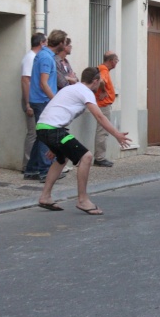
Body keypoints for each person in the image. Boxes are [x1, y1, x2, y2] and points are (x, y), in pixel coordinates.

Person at [35, 66, 131, 215]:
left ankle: (45, 196)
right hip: (52, 129)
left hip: (43, 128)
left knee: (62, 158)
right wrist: (117, 134)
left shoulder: (73, 88)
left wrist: (54, 145)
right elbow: (100, 117)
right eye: (100, 81)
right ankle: (82, 200)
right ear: (96, 80)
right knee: (86, 157)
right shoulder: (86, 92)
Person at [25, 29, 67, 182]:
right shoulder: (46, 58)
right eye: (65, 41)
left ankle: (32, 169)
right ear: (61, 43)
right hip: (42, 101)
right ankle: (44, 171)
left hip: (41, 100)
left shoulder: (44, 55)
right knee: (47, 136)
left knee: (41, 136)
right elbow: (44, 83)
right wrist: (55, 100)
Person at [21, 32, 47, 172]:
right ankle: (27, 164)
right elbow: (25, 80)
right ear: (41, 43)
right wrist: (27, 103)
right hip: (32, 100)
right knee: (32, 133)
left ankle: (34, 163)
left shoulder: (36, 57)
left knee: (37, 133)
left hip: (34, 99)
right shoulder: (30, 57)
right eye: (45, 42)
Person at [93, 51, 119, 167]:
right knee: (102, 131)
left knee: (102, 131)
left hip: (102, 105)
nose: (116, 63)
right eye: (116, 61)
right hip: (103, 105)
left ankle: (99, 157)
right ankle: (99, 157)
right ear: (111, 61)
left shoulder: (101, 69)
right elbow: (101, 81)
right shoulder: (103, 69)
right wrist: (103, 90)